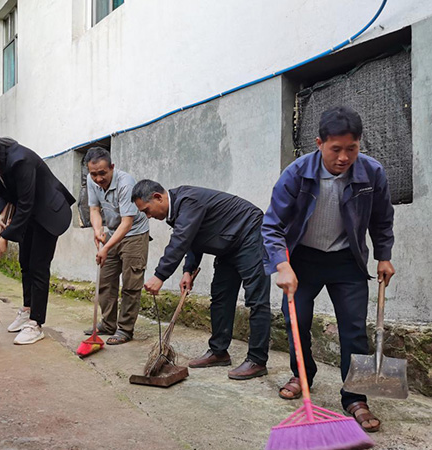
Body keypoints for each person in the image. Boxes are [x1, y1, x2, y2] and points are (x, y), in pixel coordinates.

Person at [262, 106, 395, 433]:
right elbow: (272, 225)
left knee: (354, 329)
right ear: (319, 142)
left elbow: (381, 219)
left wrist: (384, 255)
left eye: (352, 148)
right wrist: (282, 265)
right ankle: (301, 374)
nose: (344, 157)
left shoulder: (372, 173)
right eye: (336, 149)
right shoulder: (296, 173)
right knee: (297, 320)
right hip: (302, 259)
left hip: (346, 259)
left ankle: (355, 397)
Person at [132, 180, 271, 379]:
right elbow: (192, 238)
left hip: (250, 233)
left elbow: (180, 239)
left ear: (157, 197)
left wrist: (160, 275)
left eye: (147, 210)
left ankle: (257, 360)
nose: (148, 216)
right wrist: (188, 270)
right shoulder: (178, 209)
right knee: (220, 298)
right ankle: (219, 352)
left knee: (256, 298)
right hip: (228, 244)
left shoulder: (188, 201)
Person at [0, 121, 76, 345]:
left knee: (38, 266)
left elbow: (26, 203)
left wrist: (5, 237)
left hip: (48, 213)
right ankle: (28, 309)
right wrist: (2, 214)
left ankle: (36, 323)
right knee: (25, 263)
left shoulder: (20, 159)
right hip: (29, 214)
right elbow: (5, 192)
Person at [83, 147, 149, 344]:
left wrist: (105, 248)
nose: (98, 178)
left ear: (112, 167)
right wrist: (97, 230)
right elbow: (94, 209)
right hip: (112, 232)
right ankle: (108, 323)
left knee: (131, 284)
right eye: (94, 174)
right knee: (105, 280)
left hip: (134, 234)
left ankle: (125, 329)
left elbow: (127, 223)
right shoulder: (91, 180)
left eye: (102, 173)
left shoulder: (125, 183)